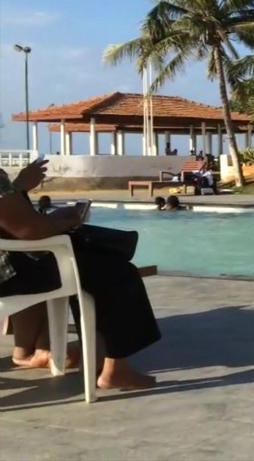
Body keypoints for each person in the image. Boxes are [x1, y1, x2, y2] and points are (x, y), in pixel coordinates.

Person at [0, 161, 161, 389]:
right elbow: (31, 230)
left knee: (88, 263)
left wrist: (19, 189)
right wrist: (69, 219)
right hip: (8, 276)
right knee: (115, 271)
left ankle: (97, 355)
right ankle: (115, 369)